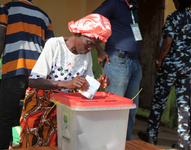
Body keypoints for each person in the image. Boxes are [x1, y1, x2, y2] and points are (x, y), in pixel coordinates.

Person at [19, 13, 112, 148]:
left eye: (95, 46)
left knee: (59, 143)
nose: (90, 49)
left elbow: (85, 88)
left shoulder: (85, 55)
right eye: (89, 43)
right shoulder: (55, 45)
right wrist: (68, 84)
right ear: (79, 34)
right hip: (39, 105)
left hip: (63, 109)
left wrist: (98, 83)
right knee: (34, 144)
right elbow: (33, 81)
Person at [138, 0, 191, 149]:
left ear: (177, 2)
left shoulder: (172, 17)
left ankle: (151, 136)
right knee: (184, 103)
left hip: (171, 66)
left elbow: (167, 41)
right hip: (189, 67)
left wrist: (159, 60)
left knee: (159, 100)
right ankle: (184, 143)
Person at [0, 0, 54, 149]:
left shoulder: (6, 8)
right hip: (39, 73)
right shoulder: (44, 16)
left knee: (4, 118)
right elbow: (49, 47)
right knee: (37, 117)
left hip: (14, 68)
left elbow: (0, 36)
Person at [92, 0, 142, 140]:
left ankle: (124, 144)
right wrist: (99, 49)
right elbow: (91, 20)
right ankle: (109, 144)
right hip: (118, 62)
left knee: (130, 110)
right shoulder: (114, 3)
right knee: (114, 110)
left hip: (134, 63)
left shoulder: (131, 7)